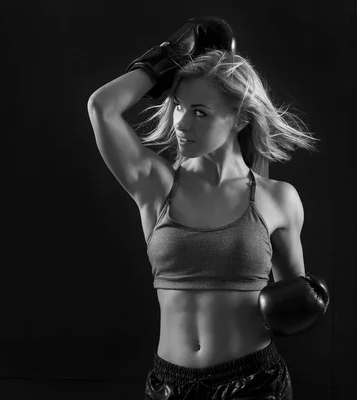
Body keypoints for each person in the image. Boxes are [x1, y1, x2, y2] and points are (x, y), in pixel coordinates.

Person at [87, 16, 330, 400]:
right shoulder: (155, 184)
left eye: (200, 111)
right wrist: (165, 60)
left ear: (241, 118)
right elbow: (101, 107)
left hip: (254, 383)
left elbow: (289, 300)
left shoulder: (277, 199)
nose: (182, 123)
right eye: (179, 107)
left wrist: (304, 303)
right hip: (169, 386)